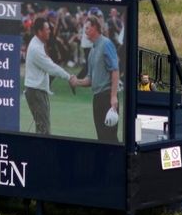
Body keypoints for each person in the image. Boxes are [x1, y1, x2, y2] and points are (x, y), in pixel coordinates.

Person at [73, 15, 121, 143]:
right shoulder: (92, 51)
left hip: (107, 98)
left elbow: (115, 70)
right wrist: (77, 82)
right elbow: (90, 79)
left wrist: (113, 97)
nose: (85, 31)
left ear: (94, 28)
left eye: (87, 28)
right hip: (97, 99)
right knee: (101, 138)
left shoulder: (106, 44)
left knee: (110, 138)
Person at [24, 16, 75, 135]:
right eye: (47, 29)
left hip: (37, 91)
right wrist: (69, 77)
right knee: (44, 130)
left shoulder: (38, 43)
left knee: (41, 128)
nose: (49, 31)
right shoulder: (36, 48)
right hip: (36, 92)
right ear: (39, 31)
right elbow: (52, 67)